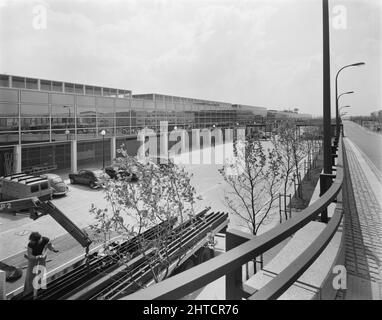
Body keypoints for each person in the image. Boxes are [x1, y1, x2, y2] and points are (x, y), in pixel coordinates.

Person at [23, 232, 59, 297]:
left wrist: (53, 249)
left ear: (39, 240)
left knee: (41, 272)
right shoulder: (30, 244)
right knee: (30, 275)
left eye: (33, 241)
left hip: (42, 257)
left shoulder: (45, 240)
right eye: (31, 241)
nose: (31, 242)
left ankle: (40, 290)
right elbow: (30, 255)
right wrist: (37, 257)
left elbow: (49, 245)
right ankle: (28, 293)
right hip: (33, 258)